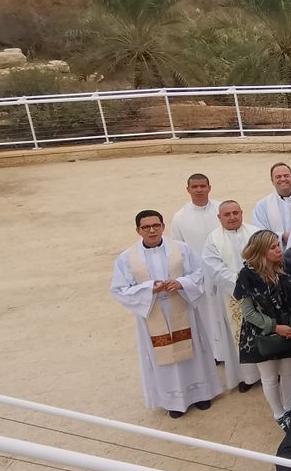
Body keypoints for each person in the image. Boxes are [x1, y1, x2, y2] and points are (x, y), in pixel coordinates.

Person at [111, 209, 222, 418]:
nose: (152, 230)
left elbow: (199, 273)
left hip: (182, 306)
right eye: (146, 227)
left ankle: (201, 394)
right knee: (164, 358)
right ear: (138, 230)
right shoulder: (126, 258)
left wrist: (181, 282)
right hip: (153, 312)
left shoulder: (181, 249)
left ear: (163, 226)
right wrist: (148, 288)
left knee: (194, 351)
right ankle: (173, 401)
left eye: (156, 225)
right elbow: (119, 289)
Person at [234, 229, 291, 423]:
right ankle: (279, 413)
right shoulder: (246, 275)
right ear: (261, 251)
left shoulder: (286, 266)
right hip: (262, 333)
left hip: (290, 329)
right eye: (273, 247)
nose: (278, 250)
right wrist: (275, 327)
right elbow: (248, 313)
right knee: (269, 377)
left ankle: (290, 409)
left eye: (278, 245)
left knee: (289, 372)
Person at [200, 199, 260, 395]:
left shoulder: (255, 233)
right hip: (230, 296)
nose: (232, 217)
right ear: (219, 217)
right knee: (238, 336)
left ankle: (268, 372)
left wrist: (256, 282)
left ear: (242, 213)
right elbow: (213, 267)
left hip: (259, 293)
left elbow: (267, 256)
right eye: (227, 214)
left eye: (236, 212)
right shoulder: (213, 239)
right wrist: (241, 284)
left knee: (261, 332)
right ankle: (246, 377)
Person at [170, 173, 226, 365]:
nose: (199, 190)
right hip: (199, 276)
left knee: (226, 313)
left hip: (223, 271)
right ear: (188, 190)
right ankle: (214, 354)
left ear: (210, 187)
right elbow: (179, 250)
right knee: (207, 317)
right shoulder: (179, 218)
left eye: (203, 186)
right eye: (195, 187)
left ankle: (230, 351)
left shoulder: (221, 209)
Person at [251, 162, 291, 247]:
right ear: (272, 181)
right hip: (274, 253)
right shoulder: (262, 206)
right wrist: (281, 236)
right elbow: (259, 232)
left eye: (286, 176)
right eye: (278, 177)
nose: (282, 179)